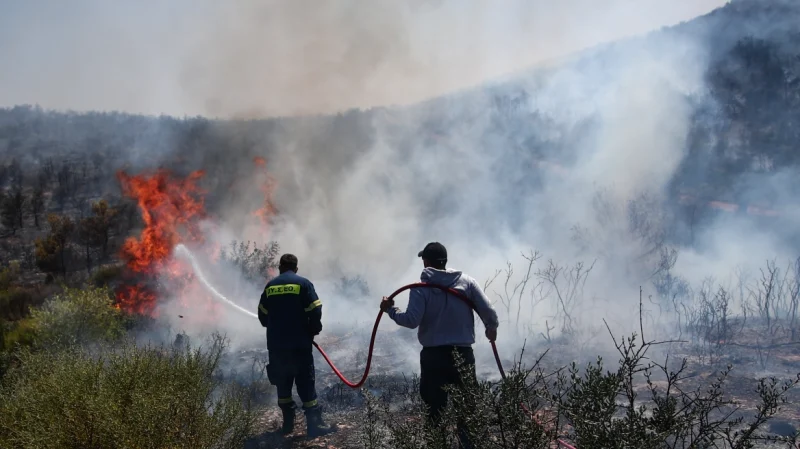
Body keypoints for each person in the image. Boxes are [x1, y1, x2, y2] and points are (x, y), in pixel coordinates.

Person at [380, 242, 499, 444]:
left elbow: (410, 320)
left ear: (426, 262)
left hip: (434, 358)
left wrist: (390, 310)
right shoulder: (466, 282)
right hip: (462, 355)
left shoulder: (420, 289)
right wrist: (491, 327)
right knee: (467, 410)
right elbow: (489, 311)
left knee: (434, 412)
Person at [257, 253, 335, 438]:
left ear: (280, 267)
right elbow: (315, 308)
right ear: (296, 268)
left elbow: (262, 315)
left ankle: (288, 424)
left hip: (277, 347)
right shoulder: (303, 284)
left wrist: (275, 327)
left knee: (283, 386)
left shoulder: (270, 287)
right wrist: (313, 328)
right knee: (306, 384)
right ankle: (313, 426)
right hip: (300, 345)